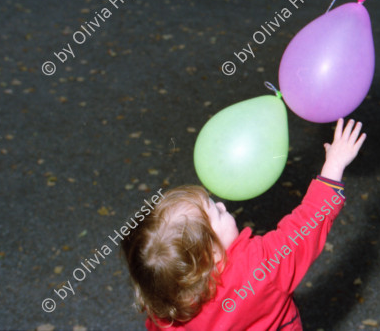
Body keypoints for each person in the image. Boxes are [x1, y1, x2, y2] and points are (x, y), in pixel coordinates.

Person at [121, 118, 367, 330]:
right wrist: (334, 164)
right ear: (211, 255)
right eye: (215, 213)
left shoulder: (165, 303)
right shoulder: (260, 269)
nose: (222, 206)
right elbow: (307, 225)